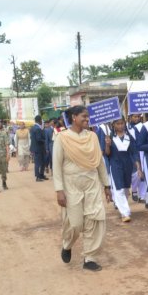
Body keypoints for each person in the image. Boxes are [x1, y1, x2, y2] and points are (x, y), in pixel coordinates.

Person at [53, 106, 112, 271]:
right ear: (73, 117)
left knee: (94, 219)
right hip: (71, 185)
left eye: (88, 117)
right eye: (84, 117)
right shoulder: (62, 138)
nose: (87, 119)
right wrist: (59, 190)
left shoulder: (92, 136)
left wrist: (106, 185)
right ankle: (68, 244)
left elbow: (99, 162)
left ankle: (89, 258)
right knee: (75, 223)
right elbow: (56, 165)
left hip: (92, 183)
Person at [104, 117, 142, 223]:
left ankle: (121, 206)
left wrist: (138, 167)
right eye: (118, 124)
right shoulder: (110, 137)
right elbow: (107, 153)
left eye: (122, 123)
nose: (120, 126)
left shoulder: (129, 136)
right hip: (115, 164)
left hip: (127, 165)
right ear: (113, 125)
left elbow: (134, 152)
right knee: (119, 188)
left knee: (125, 189)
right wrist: (107, 144)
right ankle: (125, 213)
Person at [127, 114, 146, 203]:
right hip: (132, 154)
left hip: (142, 152)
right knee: (134, 174)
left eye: (138, 117)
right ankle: (134, 190)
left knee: (142, 174)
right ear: (130, 117)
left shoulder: (143, 126)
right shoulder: (127, 127)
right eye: (134, 117)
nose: (137, 118)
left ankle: (142, 196)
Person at [30, 115, 48, 181]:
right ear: (40, 120)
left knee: (43, 162)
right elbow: (38, 139)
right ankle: (38, 176)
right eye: (42, 120)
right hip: (39, 148)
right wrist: (45, 140)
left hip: (37, 148)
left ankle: (41, 175)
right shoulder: (38, 129)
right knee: (38, 163)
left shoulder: (33, 128)